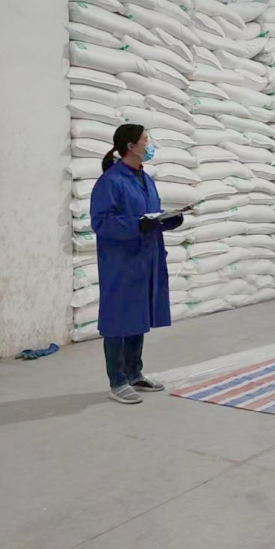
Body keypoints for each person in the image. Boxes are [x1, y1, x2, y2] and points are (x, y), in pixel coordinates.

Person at [91, 124, 185, 405]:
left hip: (146, 257)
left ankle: (134, 373)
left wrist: (167, 220)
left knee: (138, 314)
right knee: (117, 318)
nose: (149, 144)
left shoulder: (145, 178)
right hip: (120, 260)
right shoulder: (110, 181)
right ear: (131, 146)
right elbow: (101, 222)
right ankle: (117, 382)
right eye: (146, 140)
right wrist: (137, 225)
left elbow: (148, 216)